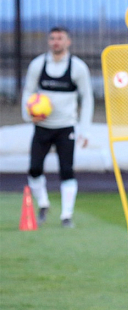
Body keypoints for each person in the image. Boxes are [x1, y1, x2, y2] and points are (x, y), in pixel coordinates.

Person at [21, 26, 94, 228]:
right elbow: (28, 91)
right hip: (42, 126)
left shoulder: (77, 67)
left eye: (60, 38)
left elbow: (87, 99)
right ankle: (43, 204)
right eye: (52, 38)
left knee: (66, 170)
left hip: (66, 127)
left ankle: (66, 215)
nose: (56, 42)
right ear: (48, 41)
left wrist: (85, 130)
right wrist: (29, 114)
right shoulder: (38, 64)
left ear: (68, 42)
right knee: (34, 169)